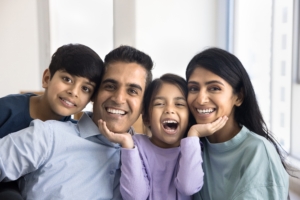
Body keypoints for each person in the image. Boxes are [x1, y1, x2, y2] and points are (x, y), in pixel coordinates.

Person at [0, 45, 153, 199]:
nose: (118, 98)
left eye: (132, 91)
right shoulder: (48, 136)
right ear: (94, 95)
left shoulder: (149, 157)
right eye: (110, 86)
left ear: (144, 105)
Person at [98, 73, 228, 200]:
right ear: (147, 118)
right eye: (159, 104)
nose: (169, 110)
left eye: (179, 104)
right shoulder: (136, 146)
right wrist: (127, 145)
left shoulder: (192, 148)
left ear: (189, 118)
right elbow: (135, 196)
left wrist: (193, 134)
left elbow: (188, 187)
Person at [0, 43, 104, 199]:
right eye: (67, 79)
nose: (73, 92)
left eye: (85, 89)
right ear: (47, 78)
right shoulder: (7, 109)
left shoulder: (67, 134)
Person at [185, 47, 289, 200]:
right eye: (193, 88)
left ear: (238, 97)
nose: (200, 99)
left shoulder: (257, 151)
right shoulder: (192, 147)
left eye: (214, 88)